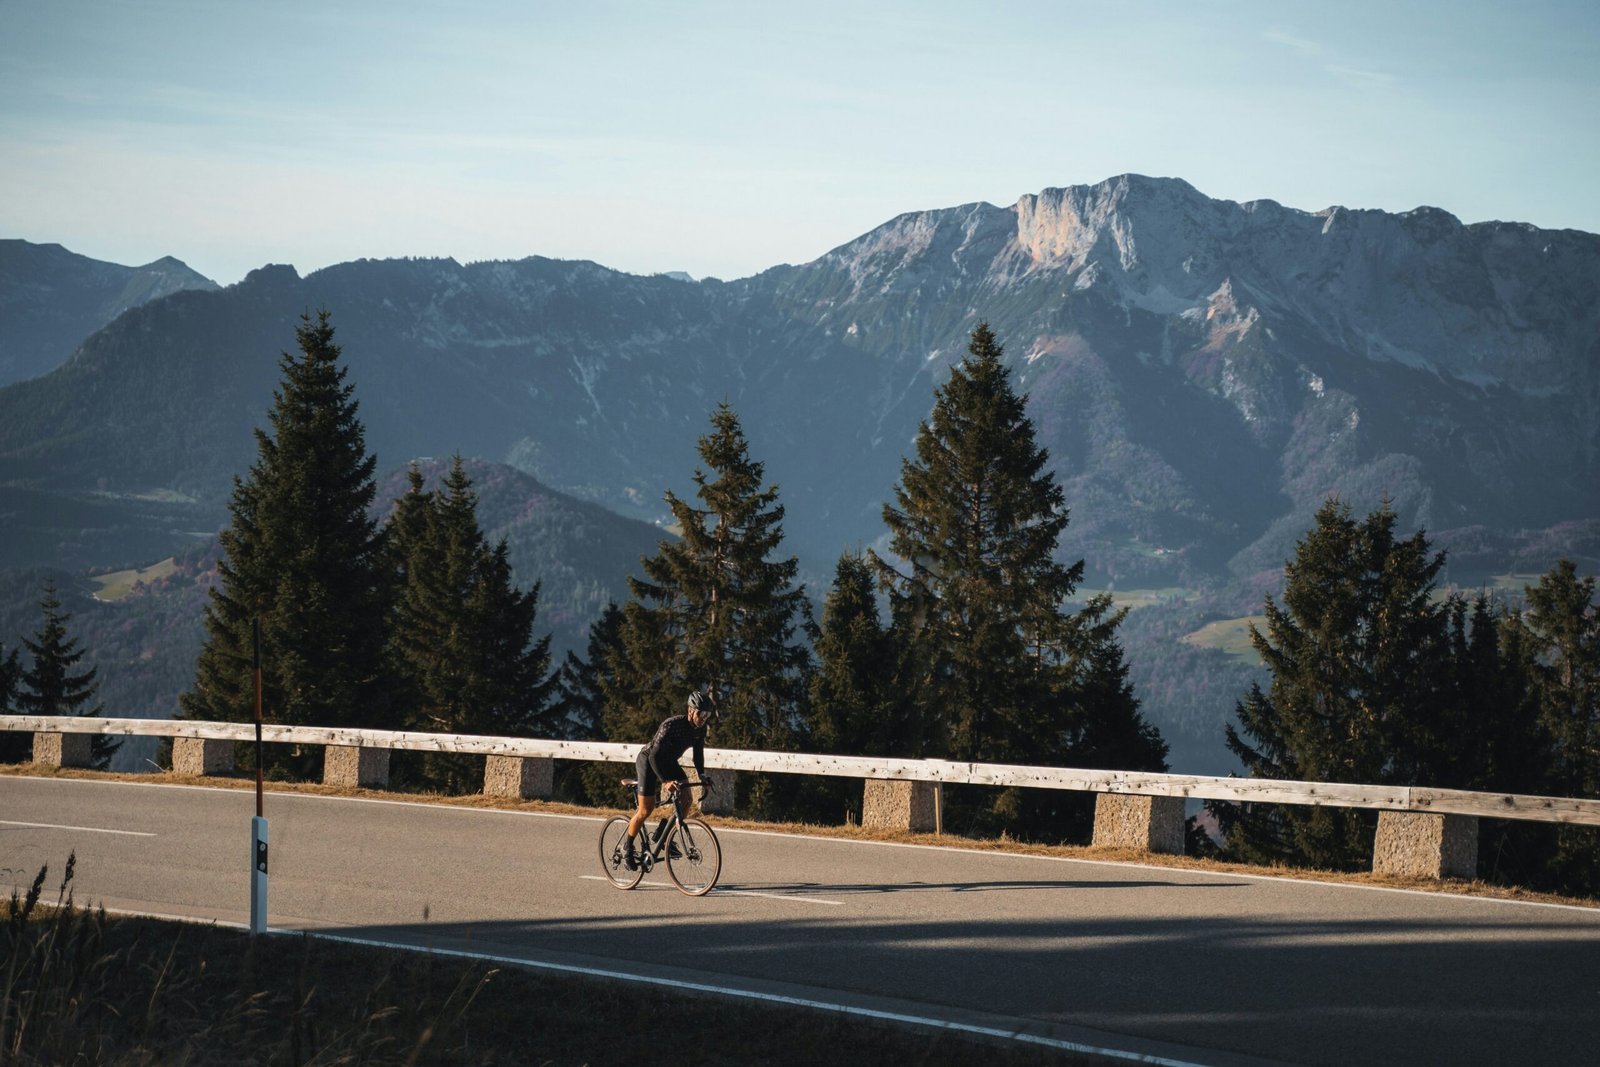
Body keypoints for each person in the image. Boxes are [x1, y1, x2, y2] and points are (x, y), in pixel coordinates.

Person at [622, 689, 717, 869]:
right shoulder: (671, 725)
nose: (704, 718)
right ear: (690, 710)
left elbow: (698, 756)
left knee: (687, 799)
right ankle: (627, 847)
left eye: (707, 715)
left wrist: (702, 775)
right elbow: (653, 757)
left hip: (669, 762)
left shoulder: (701, 729)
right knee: (645, 810)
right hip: (649, 762)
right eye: (701, 713)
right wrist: (665, 781)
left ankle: (663, 835)